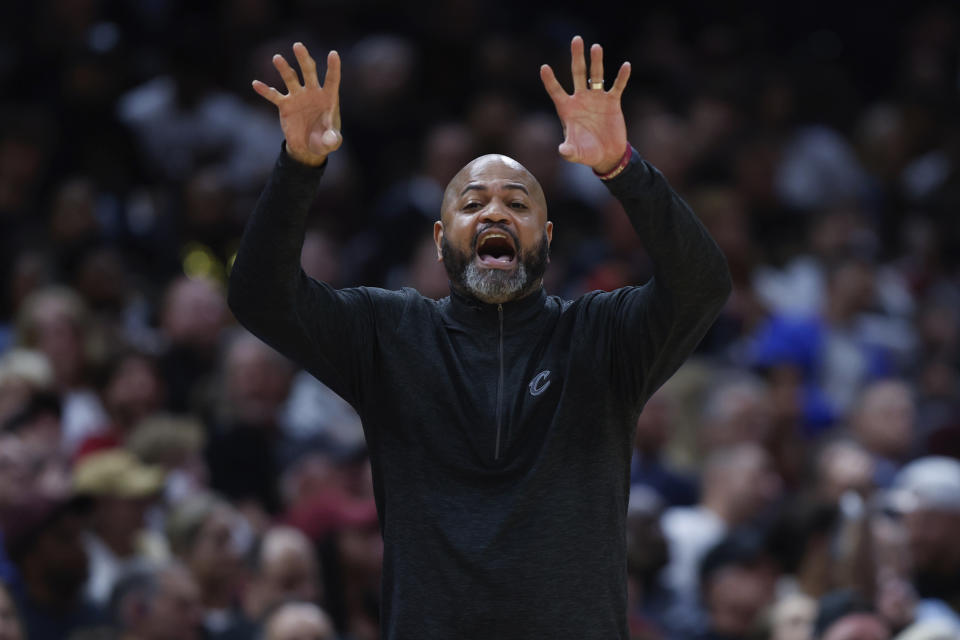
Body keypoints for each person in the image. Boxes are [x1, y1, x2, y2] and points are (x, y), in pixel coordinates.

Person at [230, 36, 731, 639]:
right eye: (474, 203)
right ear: (442, 238)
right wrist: (298, 168)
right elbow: (259, 295)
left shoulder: (602, 336)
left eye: (516, 203)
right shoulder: (387, 332)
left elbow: (702, 284)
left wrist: (622, 168)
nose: (495, 212)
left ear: (546, 236)